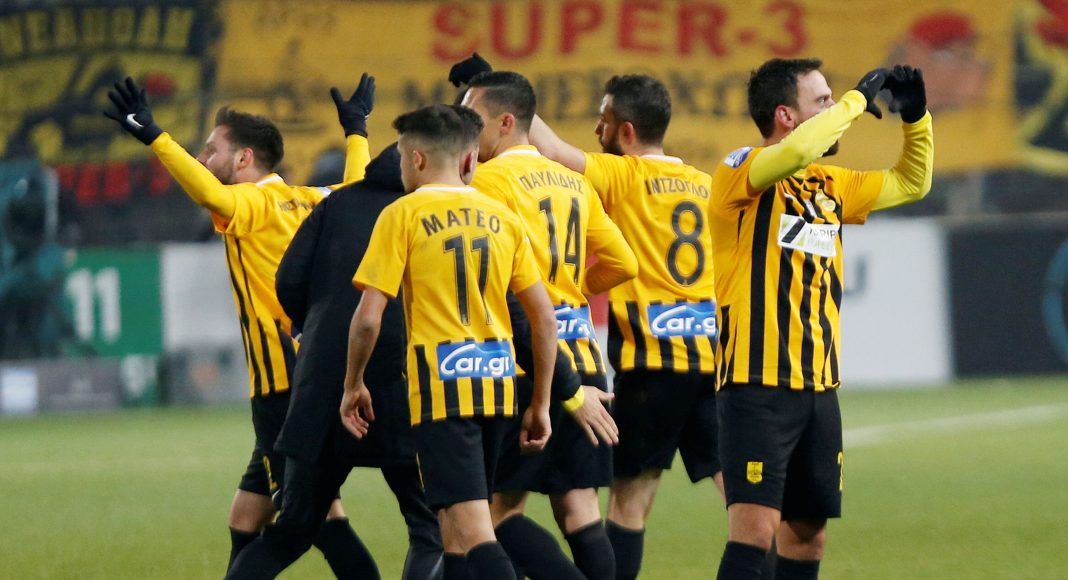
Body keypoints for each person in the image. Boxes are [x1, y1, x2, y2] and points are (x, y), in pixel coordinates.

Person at [103, 73, 376, 574]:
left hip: (282, 388)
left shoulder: (254, 203)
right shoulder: (315, 198)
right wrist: (357, 130)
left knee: (315, 520)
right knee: (246, 517)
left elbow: (214, 196)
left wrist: (155, 137)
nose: (204, 159)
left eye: (212, 150)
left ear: (245, 158)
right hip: (311, 379)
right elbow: (358, 189)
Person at [708, 61, 932, 580]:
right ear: (785, 115)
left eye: (834, 99)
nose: (835, 109)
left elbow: (912, 182)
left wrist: (916, 118)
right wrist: (856, 101)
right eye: (822, 100)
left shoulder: (830, 185)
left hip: (819, 387)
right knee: (754, 533)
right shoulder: (742, 170)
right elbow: (795, 152)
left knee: (808, 537)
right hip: (756, 385)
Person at [512, 69, 723, 579]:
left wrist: (507, 100)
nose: (596, 130)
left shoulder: (624, 175)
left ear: (626, 131)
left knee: (629, 503)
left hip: (654, 364)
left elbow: (552, 150)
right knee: (743, 497)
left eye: (603, 121)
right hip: (712, 359)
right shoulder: (706, 184)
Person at [341, 104, 556, 580]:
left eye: (401, 157)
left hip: (444, 392)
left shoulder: (402, 214)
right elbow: (543, 317)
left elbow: (368, 319)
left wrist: (353, 383)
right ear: (468, 159)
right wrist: (540, 402)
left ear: (416, 159)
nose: (401, 167)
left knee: (476, 530)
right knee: (452, 529)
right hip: (499, 388)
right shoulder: (503, 217)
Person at [225, 144, 443, 579]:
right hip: (398, 384)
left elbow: (288, 279)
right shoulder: (425, 210)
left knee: (294, 527)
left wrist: (313, 332)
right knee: (427, 527)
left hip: (322, 385)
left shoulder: (335, 203)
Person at [459, 70, 637, 580]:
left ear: (506, 122)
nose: (467, 132)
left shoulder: (487, 182)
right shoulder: (574, 182)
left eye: (474, 119)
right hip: (584, 358)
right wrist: (571, 291)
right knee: (579, 507)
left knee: (495, 516)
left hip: (526, 361)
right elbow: (624, 262)